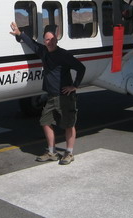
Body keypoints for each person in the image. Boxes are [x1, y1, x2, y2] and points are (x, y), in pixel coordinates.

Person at [9, 22, 85, 165]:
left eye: (52, 39)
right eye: (47, 40)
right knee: (45, 122)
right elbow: (31, 43)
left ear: (57, 40)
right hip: (50, 96)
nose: (50, 42)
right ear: (44, 41)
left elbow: (81, 68)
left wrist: (74, 86)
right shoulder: (43, 51)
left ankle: (69, 153)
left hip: (65, 96)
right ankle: (52, 151)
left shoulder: (64, 55)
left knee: (69, 124)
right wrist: (20, 34)